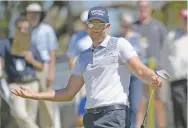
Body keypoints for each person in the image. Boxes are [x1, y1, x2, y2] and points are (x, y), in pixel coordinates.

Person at [11, 6, 163, 128]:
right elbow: (68, 92)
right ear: (87, 26)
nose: (95, 28)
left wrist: (152, 77)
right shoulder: (83, 57)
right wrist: (36, 95)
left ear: (108, 26)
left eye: (99, 24)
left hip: (114, 115)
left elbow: (140, 70)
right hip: (90, 117)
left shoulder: (119, 44)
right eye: (92, 24)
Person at [0, 16, 44, 128]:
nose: (23, 31)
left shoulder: (32, 45)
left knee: (30, 117)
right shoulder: (5, 44)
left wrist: (31, 60)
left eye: (26, 29)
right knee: (19, 114)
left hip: (32, 83)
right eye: (20, 28)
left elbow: (41, 67)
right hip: (15, 85)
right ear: (15, 29)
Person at [133, 1, 168, 127]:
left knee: (160, 102)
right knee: (140, 103)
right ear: (137, 8)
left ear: (150, 8)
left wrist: (164, 69)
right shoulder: (134, 27)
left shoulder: (159, 26)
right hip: (140, 72)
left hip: (159, 71)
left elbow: (167, 49)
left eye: (146, 6)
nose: (143, 9)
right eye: (140, 7)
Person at [26, 3, 58, 128]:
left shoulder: (47, 29)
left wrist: (51, 72)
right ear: (27, 15)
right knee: (30, 103)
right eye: (31, 13)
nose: (34, 16)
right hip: (27, 69)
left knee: (46, 103)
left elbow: (52, 52)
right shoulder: (24, 29)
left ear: (40, 15)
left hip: (44, 68)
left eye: (36, 13)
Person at [160, 8, 187, 128]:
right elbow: (164, 58)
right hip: (177, 79)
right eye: (184, 19)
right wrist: (165, 77)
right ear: (180, 20)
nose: (186, 22)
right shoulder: (171, 36)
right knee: (179, 109)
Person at [120, 11, 146, 128]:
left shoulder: (137, 38)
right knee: (122, 106)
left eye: (127, 24)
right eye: (123, 24)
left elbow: (142, 58)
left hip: (135, 78)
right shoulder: (117, 39)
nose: (125, 26)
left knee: (135, 106)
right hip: (120, 78)